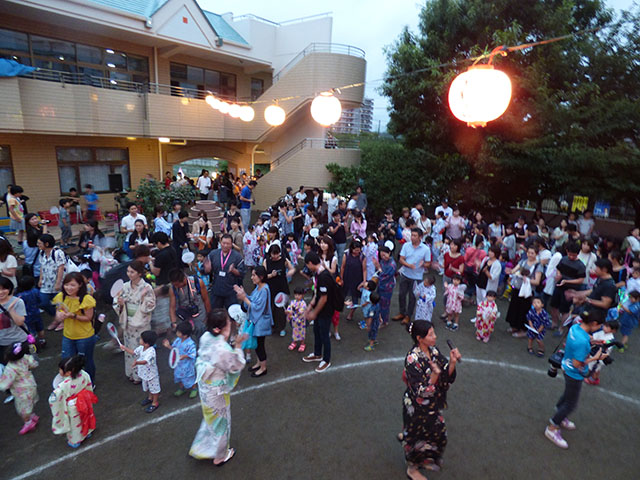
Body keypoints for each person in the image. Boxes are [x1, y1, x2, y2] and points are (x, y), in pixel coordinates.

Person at [401, 320, 461, 479]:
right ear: (420, 338)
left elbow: (446, 375)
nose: (435, 337)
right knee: (415, 439)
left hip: (432, 405)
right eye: (431, 334)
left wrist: (452, 362)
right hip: (416, 408)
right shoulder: (412, 359)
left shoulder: (433, 351)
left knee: (438, 434)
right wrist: (434, 376)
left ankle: (425, 459)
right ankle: (412, 469)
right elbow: (420, 392)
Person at [189, 309, 247, 465]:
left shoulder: (205, 337)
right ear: (218, 329)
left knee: (210, 419)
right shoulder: (222, 349)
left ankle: (203, 446)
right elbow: (236, 364)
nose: (230, 325)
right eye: (228, 323)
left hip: (205, 386)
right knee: (221, 423)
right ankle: (220, 456)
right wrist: (238, 346)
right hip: (216, 390)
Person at [544, 310, 608, 449]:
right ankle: (552, 427)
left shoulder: (575, 327)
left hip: (566, 367)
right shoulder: (582, 342)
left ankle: (560, 413)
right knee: (571, 403)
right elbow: (578, 363)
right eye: (600, 325)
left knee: (568, 395)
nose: (600, 328)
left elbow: (578, 342)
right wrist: (596, 357)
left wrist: (592, 341)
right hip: (574, 373)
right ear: (594, 323)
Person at [113, 261, 156, 383]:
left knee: (140, 349)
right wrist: (121, 304)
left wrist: (141, 298)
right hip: (128, 321)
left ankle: (140, 376)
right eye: (128, 271)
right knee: (129, 349)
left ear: (140, 273)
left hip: (141, 322)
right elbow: (116, 302)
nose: (129, 274)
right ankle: (131, 372)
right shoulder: (125, 286)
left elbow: (151, 304)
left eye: (132, 272)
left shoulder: (146, 287)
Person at [54, 272, 97, 384]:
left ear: (80, 285)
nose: (69, 288)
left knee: (86, 361)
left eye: (72, 285)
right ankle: (72, 384)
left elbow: (88, 317)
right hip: (68, 335)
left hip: (85, 336)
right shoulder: (61, 297)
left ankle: (90, 383)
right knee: (67, 361)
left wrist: (73, 316)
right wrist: (59, 316)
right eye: (66, 284)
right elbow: (58, 313)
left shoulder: (86, 299)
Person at [49, 355, 97, 448]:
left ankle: (75, 440)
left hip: (73, 406)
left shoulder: (64, 385)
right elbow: (89, 386)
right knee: (85, 417)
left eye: (60, 369)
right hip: (85, 401)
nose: (59, 371)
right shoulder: (84, 374)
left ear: (68, 372)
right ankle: (87, 431)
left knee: (75, 424)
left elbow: (55, 399)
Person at [234, 266, 272, 378]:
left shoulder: (264, 289)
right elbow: (252, 300)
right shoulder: (259, 287)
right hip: (257, 321)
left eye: (254, 275)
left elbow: (257, 307)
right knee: (257, 344)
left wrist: (244, 298)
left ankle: (263, 368)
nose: (252, 277)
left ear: (261, 276)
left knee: (260, 345)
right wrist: (244, 295)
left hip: (260, 323)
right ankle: (259, 363)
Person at [303, 252, 335, 373]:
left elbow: (323, 298)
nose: (307, 268)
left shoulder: (323, 276)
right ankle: (317, 354)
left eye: (307, 265)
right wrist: (310, 307)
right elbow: (317, 294)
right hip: (319, 308)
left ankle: (326, 360)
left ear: (311, 263)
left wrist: (314, 313)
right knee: (316, 330)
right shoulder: (317, 274)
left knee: (324, 334)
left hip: (326, 310)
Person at [0, 340, 39, 434]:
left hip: (21, 392)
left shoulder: (10, 368)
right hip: (31, 385)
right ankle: (32, 415)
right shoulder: (26, 357)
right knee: (31, 402)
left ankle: (28, 422)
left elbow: (5, 384)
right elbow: (34, 363)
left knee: (23, 410)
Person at [505, 246, 543, 338]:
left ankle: (523, 330)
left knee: (524, 310)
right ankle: (514, 326)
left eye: (532, 253)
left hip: (527, 292)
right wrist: (510, 271)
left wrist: (527, 279)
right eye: (529, 252)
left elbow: (537, 281)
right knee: (514, 307)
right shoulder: (523, 261)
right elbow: (514, 270)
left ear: (536, 254)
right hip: (518, 288)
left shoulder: (538, 266)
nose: (530, 255)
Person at [395, 228, 432, 325]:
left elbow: (428, 263)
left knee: (412, 297)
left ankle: (408, 315)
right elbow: (401, 259)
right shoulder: (406, 245)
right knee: (401, 294)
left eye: (415, 236)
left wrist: (423, 264)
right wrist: (408, 265)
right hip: (405, 274)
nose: (412, 237)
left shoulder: (426, 249)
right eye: (412, 235)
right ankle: (401, 312)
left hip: (417, 277)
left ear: (420, 237)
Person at [120, 330, 160, 413]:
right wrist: (125, 348)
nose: (139, 339)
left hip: (152, 375)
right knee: (149, 387)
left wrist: (137, 362)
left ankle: (155, 402)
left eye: (141, 339)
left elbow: (145, 361)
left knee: (154, 389)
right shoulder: (141, 348)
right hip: (145, 373)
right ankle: (150, 398)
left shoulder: (151, 352)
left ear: (147, 343)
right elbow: (134, 352)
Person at [263, 244, 295, 338]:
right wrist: (271, 275)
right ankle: (273, 326)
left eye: (277, 254)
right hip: (271, 287)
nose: (275, 256)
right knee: (271, 308)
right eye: (273, 254)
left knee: (281, 309)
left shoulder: (284, 260)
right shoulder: (266, 261)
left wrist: (289, 273)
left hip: (282, 287)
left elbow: (292, 269)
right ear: (270, 253)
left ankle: (281, 328)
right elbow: (263, 276)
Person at [207, 234, 245, 309]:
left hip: (231, 291)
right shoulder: (213, 254)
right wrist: (207, 269)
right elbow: (205, 269)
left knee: (232, 313)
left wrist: (233, 270)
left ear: (231, 244)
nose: (225, 245)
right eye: (223, 243)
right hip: (216, 289)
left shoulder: (237, 257)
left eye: (228, 243)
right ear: (220, 242)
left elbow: (242, 273)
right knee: (215, 312)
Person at [169, 269, 211, 337]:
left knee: (201, 333)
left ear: (184, 279)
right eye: (174, 285)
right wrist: (174, 322)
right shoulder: (173, 288)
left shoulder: (197, 282)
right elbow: (172, 307)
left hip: (199, 315)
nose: (176, 286)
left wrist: (208, 316)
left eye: (177, 284)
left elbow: (206, 300)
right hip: (184, 317)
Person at [38, 234, 66, 328]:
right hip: (46, 283)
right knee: (43, 302)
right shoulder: (41, 253)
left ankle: (62, 320)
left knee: (60, 304)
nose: (38, 245)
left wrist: (58, 283)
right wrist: (40, 279)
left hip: (56, 283)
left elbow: (61, 268)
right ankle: (57, 318)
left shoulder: (57, 253)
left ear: (46, 244)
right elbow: (42, 266)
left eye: (40, 243)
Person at [162, 322, 197, 397]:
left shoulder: (190, 344)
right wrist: (168, 346)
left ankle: (194, 388)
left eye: (178, 332)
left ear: (185, 335)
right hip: (178, 364)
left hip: (187, 365)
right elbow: (174, 349)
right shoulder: (178, 340)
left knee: (189, 377)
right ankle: (182, 388)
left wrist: (184, 356)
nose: (176, 333)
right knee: (179, 377)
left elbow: (193, 354)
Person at [16, 276, 45, 349]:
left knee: (30, 330)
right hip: (36, 313)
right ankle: (42, 340)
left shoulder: (20, 296)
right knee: (40, 328)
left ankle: (34, 343)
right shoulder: (35, 291)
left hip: (26, 316)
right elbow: (40, 300)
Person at [341, 240, 366, 322]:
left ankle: (351, 313)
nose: (357, 252)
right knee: (342, 295)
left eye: (358, 250)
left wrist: (364, 281)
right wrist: (341, 278)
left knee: (355, 297)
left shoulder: (362, 257)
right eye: (355, 250)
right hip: (347, 277)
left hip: (357, 279)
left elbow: (364, 270)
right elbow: (342, 267)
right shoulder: (346, 255)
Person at [374, 245, 397, 327]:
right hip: (380, 286)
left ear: (389, 253)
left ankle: (384, 321)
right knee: (379, 303)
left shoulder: (392, 265)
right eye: (381, 255)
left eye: (384, 255)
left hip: (387, 287)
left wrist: (379, 270)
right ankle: (379, 318)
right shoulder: (383, 261)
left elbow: (385, 276)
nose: (383, 257)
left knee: (384, 305)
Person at [286, 287, 307, 352]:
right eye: (296, 295)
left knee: (302, 333)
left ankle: (302, 344)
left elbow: (301, 311)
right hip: (294, 320)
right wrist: (288, 312)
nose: (297, 296)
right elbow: (289, 308)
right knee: (294, 332)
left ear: (302, 295)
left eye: (299, 295)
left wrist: (296, 310)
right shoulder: (293, 302)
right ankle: (294, 342)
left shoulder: (303, 303)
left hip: (301, 321)